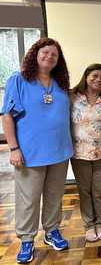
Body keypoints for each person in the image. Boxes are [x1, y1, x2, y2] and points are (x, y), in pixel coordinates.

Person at [1, 38, 73, 263]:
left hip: (60, 151)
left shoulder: (61, 84)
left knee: (54, 196)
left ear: (58, 60)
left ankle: (52, 231)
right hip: (30, 153)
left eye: (54, 54)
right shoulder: (19, 80)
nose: (49, 56)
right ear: (35, 54)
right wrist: (13, 148)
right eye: (45, 52)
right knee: (28, 198)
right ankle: (27, 240)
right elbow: (7, 116)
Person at [70, 64, 101, 242]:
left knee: (99, 190)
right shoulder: (72, 97)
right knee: (85, 190)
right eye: (95, 76)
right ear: (86, 76)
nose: (98, 80)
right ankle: (89, 225)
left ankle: (99, 222)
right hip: (78, 153)